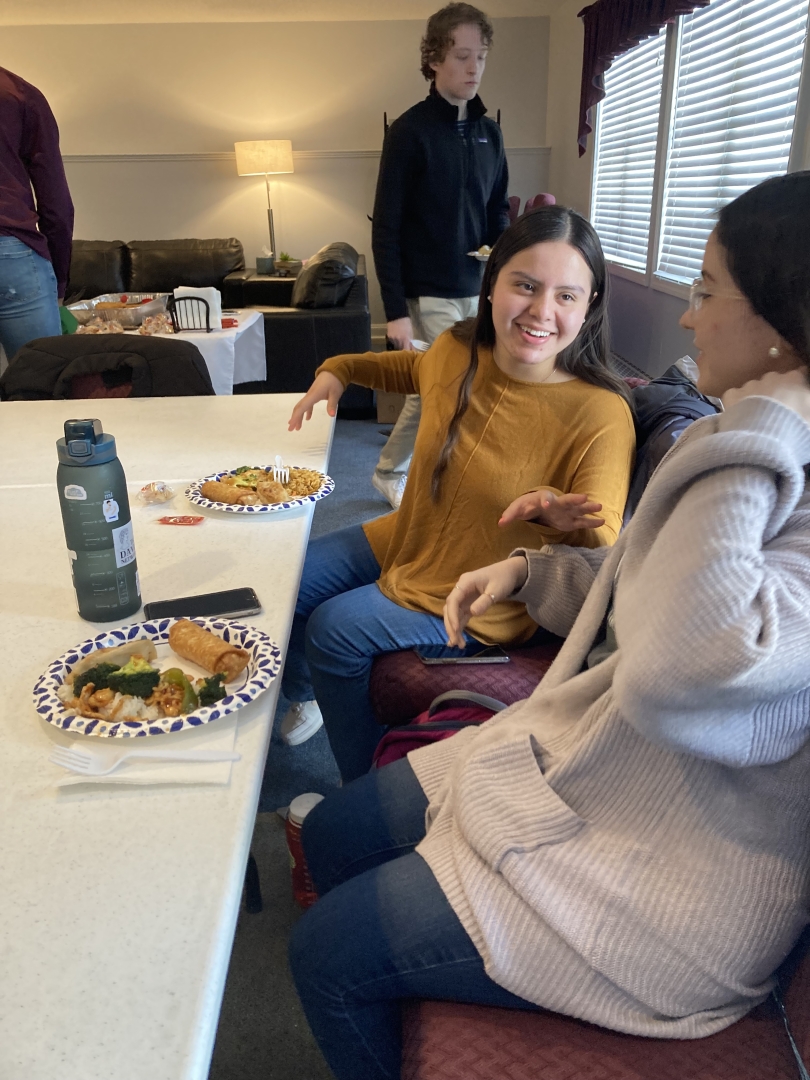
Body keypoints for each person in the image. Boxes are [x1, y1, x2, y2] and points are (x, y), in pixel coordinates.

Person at [287, 171, 810, 1080]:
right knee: (334, 834)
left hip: (670, 874)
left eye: (708, 293)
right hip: (586, 758)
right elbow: (648, 584)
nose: (687, 321)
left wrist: (767, 409)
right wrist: (535, 568)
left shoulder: (754, 447)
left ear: (779, 320)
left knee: (327, 953)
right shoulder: (735, 445)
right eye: (525, 285)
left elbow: (681, 665)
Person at [280, 206, 635, 773]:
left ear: (589, 307)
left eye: (567, 296)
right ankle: (306, 694)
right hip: (410, 535)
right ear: (492, 285)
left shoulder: (600, 413)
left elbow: (603, 544)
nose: (542, 311)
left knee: (335, 630)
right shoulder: (457, 349)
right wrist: (340, 368)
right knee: (289, 577)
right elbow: (407, 370)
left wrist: (552, 515)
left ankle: (362, 783)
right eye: (526, 285)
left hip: (488, 589)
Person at [370, 3, 510, 510]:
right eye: (462, 56)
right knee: (433, 390)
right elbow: (385, 227)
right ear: (434, 60)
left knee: (477, 387)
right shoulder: (409, 132)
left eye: (481, 57)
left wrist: (503, 265)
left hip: (480, 288)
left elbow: (498, 213)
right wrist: (395, 313)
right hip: (427, 292)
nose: (473, 68)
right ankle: (391, 470)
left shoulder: (489, 133)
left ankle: (453, 469)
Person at [0, 66, 73, 363]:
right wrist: (59, 282)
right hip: (11, 251)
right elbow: (55, 201)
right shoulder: (19, 93)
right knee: (41, 384)